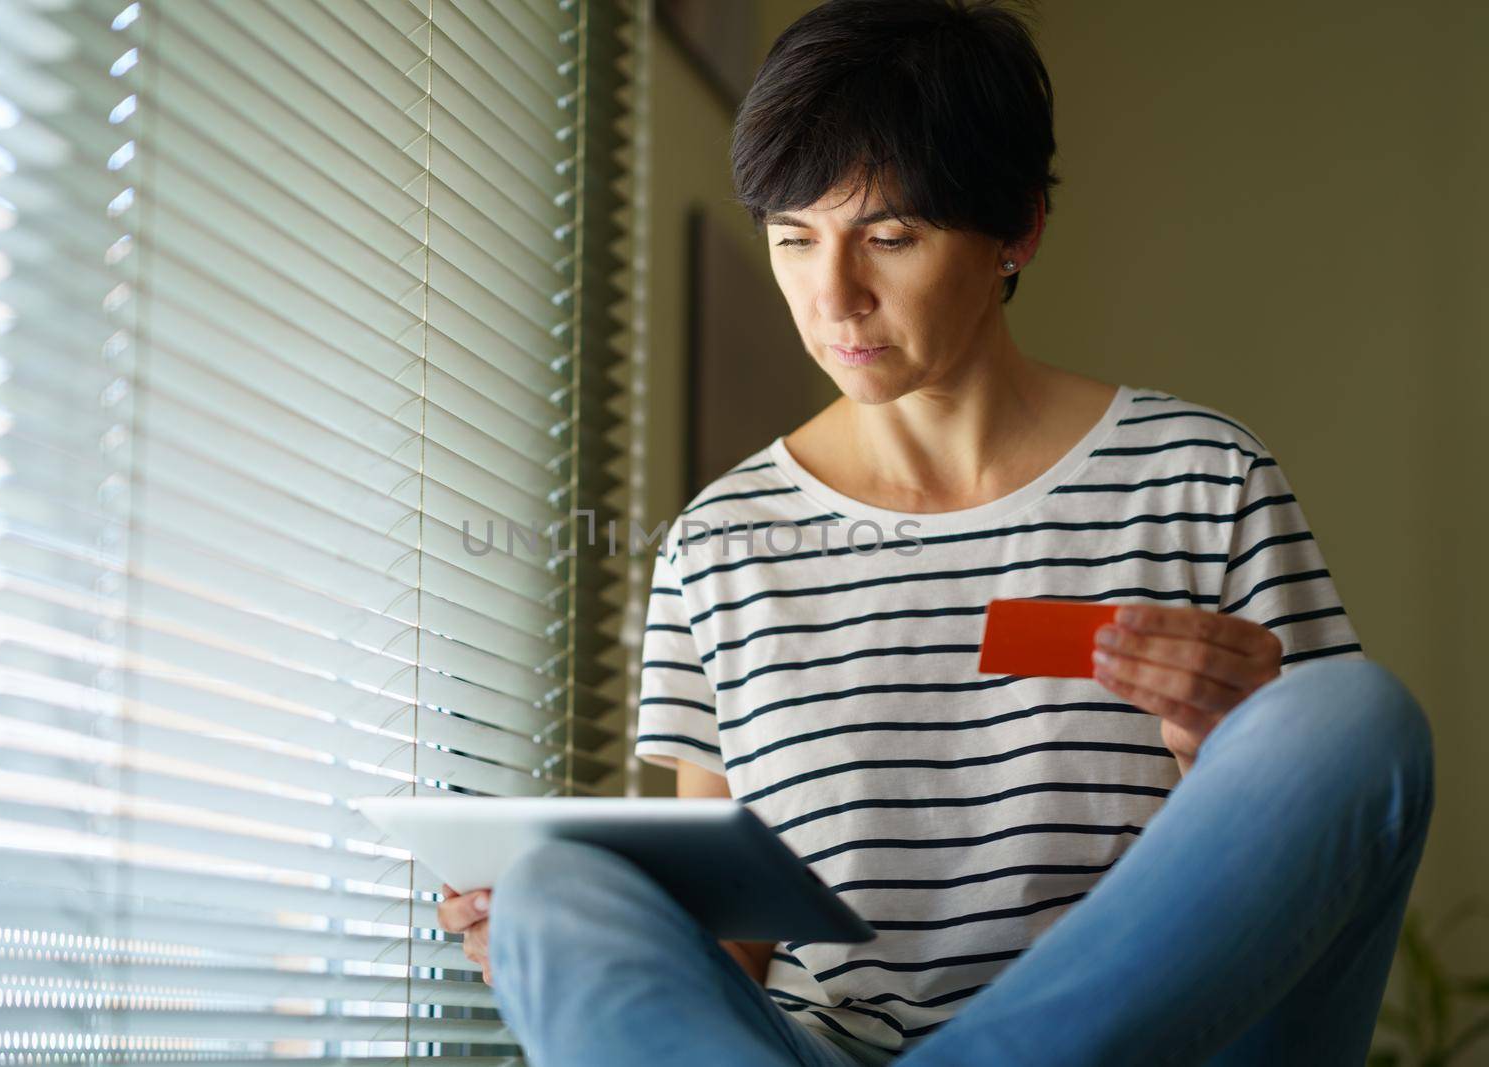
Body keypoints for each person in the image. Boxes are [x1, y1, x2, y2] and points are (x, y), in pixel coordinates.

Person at [438, 1, 1435, 1063]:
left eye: (890, 237)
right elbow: (733, 950)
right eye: (792, 239)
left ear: (1017, 227)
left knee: (1350, 714)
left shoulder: (1200, 477)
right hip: (829, 1047)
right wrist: (560, 957)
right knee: (552, 886)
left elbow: (1293, 874)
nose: (835, 298)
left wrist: (1215, 743)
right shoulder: (718, 544)